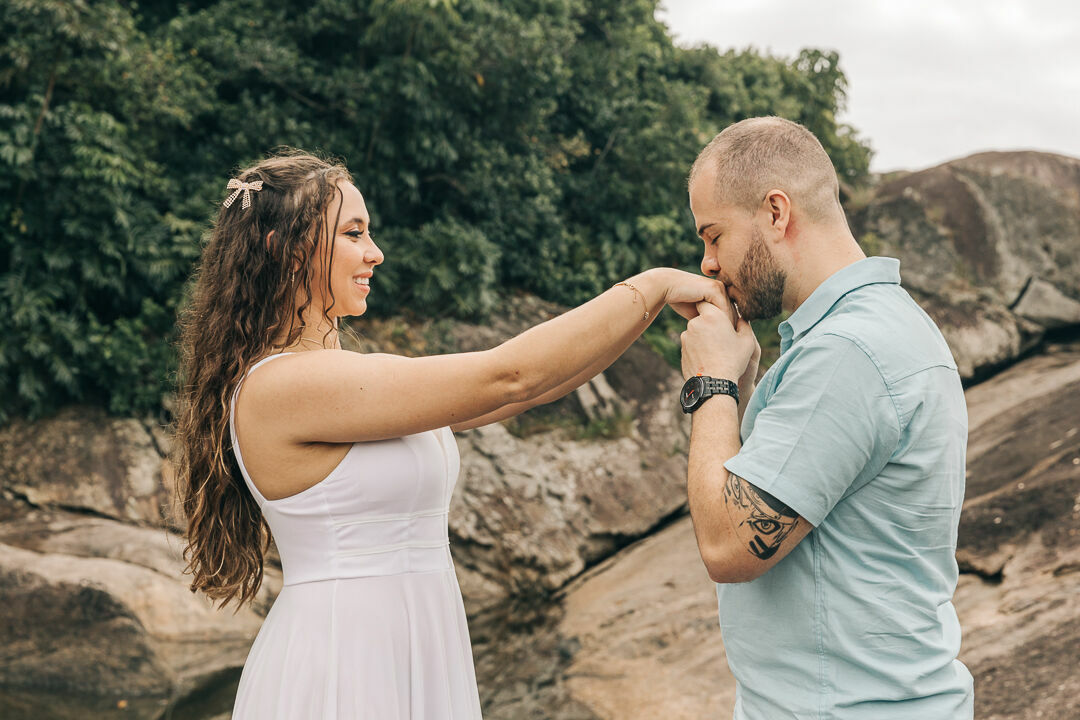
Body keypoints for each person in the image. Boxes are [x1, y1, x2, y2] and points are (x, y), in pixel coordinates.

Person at [171, 148, 727, 719]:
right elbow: (510, 376)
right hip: (343, 657)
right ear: (284, 250)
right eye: (353, 233)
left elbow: (530, 391)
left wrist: (651, 311)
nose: (375, 252)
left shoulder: (346, 379)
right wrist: (656, 284)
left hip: (416, 639)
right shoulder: (284, 385)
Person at [676, 117, 973, 719]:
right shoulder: (876, 326)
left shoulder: (846, 352)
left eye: (714, 236)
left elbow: (729, 545)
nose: (707, 263)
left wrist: (710, 385)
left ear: (776, 213)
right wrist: (742, 385)